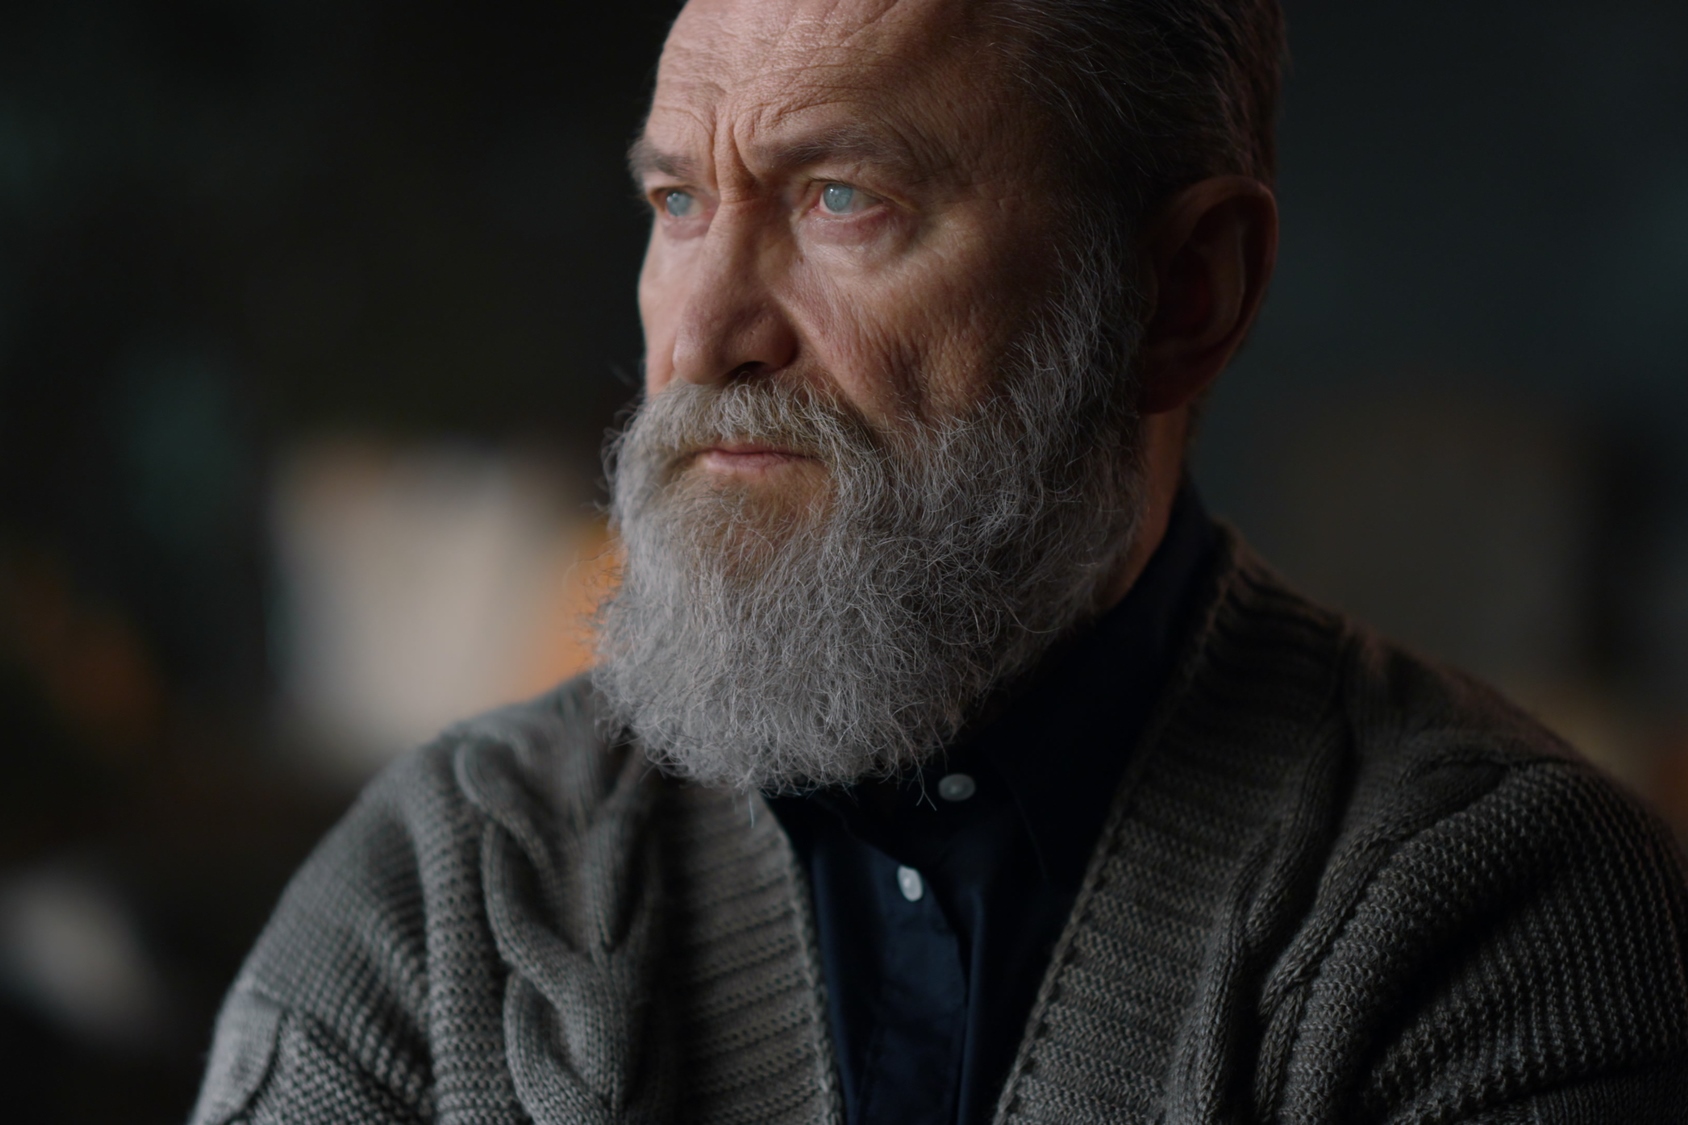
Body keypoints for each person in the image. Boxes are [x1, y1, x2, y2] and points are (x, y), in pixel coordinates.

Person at [190, 0, 1688, 1121]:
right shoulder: (439, 887)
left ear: (1185, 292)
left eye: (844, 199)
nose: (702, 334)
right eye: (677, 202)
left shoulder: (1497, 910)